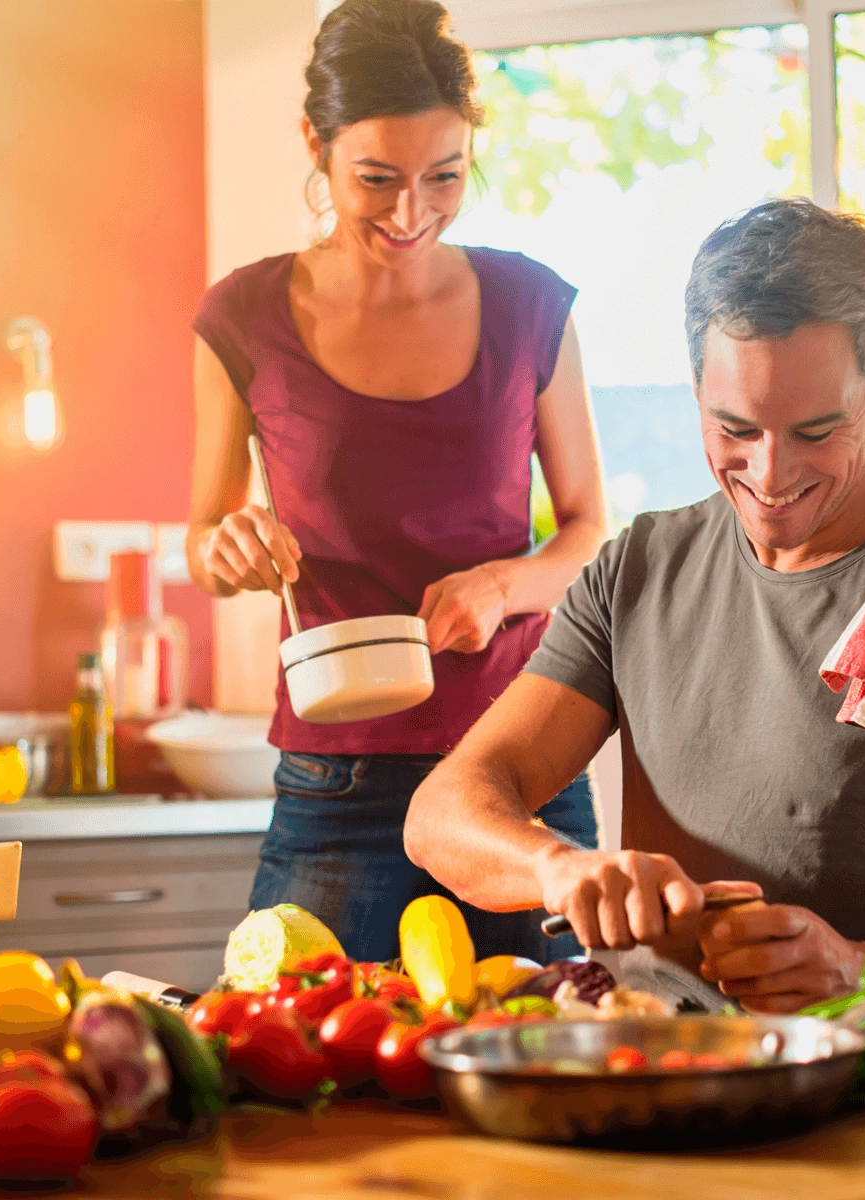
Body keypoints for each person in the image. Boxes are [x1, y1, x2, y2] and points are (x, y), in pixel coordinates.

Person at [404, 198, 865, 1012]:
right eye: (734, 427)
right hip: (653, 1054)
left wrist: (861, 968)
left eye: (815, 432)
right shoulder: (636, 571)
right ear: (695, 385)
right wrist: (561, 869)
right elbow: (442, 812)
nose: (769, 476)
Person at [187, 0, 608, 963]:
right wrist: (227, 547)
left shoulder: (529, 302)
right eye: (376, 178)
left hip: (519, 764)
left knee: (555, 1059)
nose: (411, 212)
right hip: (337, 778)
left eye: (445, 177)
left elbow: (587, 530)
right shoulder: (243, 315)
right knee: (301, 1076)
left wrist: (502, 585)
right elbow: (202, 545)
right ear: (316, 145)